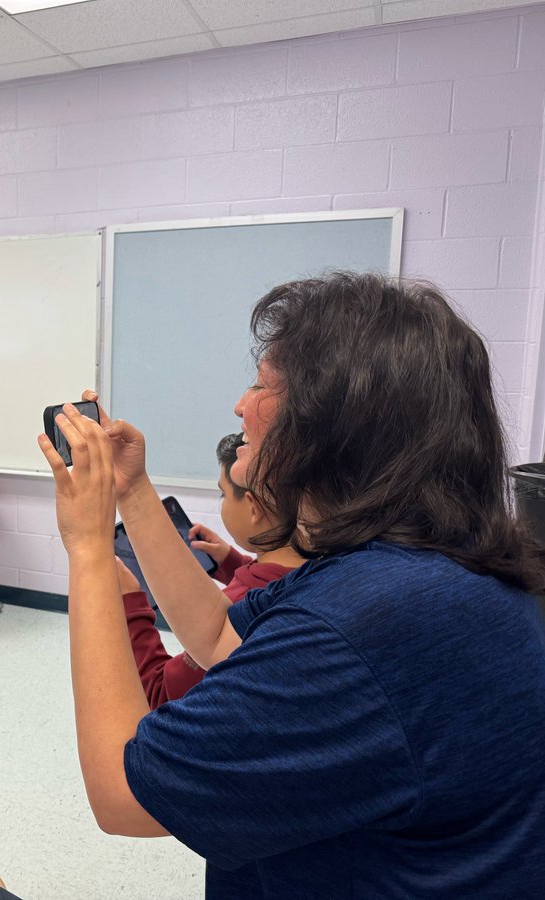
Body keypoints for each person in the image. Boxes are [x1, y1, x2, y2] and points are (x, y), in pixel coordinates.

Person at [40, 273, 545, 898]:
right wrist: (132, 493)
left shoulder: (361, 628)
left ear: (333, 423)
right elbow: (217, 636)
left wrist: (89, 548)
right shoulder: (416, 568)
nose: (240, 406)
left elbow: (123, 795)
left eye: (261, 385)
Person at [122, 432, 303, 709]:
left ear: (253, 507)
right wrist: (231, 563)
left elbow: (159, 694)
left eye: (223, 492)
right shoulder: (317, 567)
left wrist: (129, 602)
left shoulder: (236, 614)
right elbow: (268, 585)